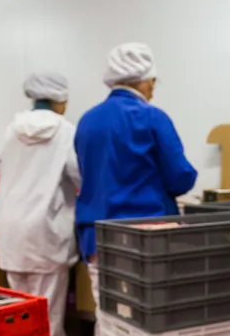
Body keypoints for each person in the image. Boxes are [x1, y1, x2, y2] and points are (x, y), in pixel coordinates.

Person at [75, 43, 198, 300]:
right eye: (153, 81)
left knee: (109, 316)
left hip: (98, 237)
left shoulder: (87, 121)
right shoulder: (152, 117)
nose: (153, 88)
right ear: (145, 80)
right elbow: (181, 176)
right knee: (148, 318)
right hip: (146, 236)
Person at [0, 72, 81, 336]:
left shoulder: (12, 129)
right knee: (49, 316)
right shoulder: (66, 131)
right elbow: (79, 175)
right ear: (62, 101)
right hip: (46, 229)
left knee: (19, 313)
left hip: (11, 231)